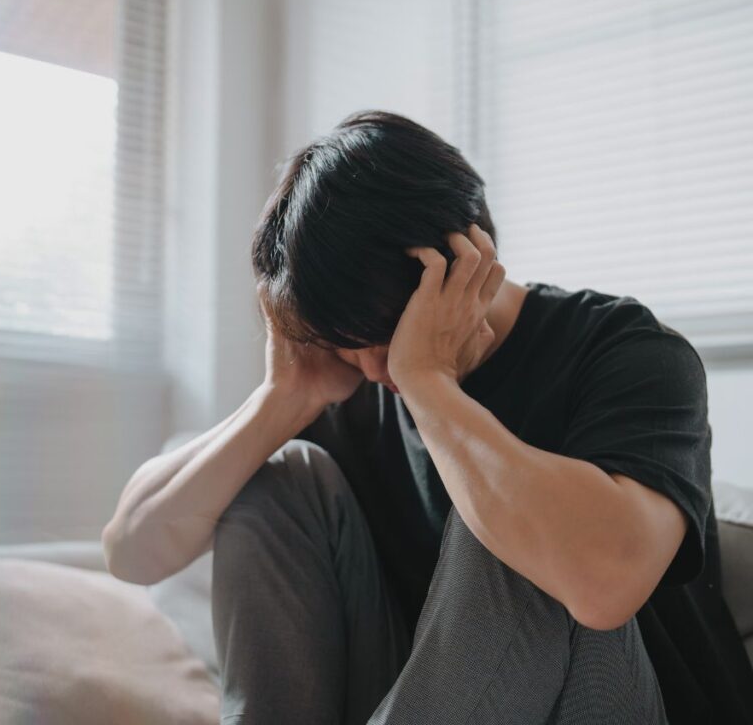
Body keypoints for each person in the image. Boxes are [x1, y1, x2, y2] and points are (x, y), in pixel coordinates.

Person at [102, 111, 753, 723]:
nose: (373, 369)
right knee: (278, 475)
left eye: (384, 337)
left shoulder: (626, 349)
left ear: (468, 260)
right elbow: (132, 550)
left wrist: (431, 383)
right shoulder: (350, 372)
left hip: (621, 699)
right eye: (345, 342)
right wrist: (282, 397)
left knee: (511, 519)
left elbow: (607, 582)